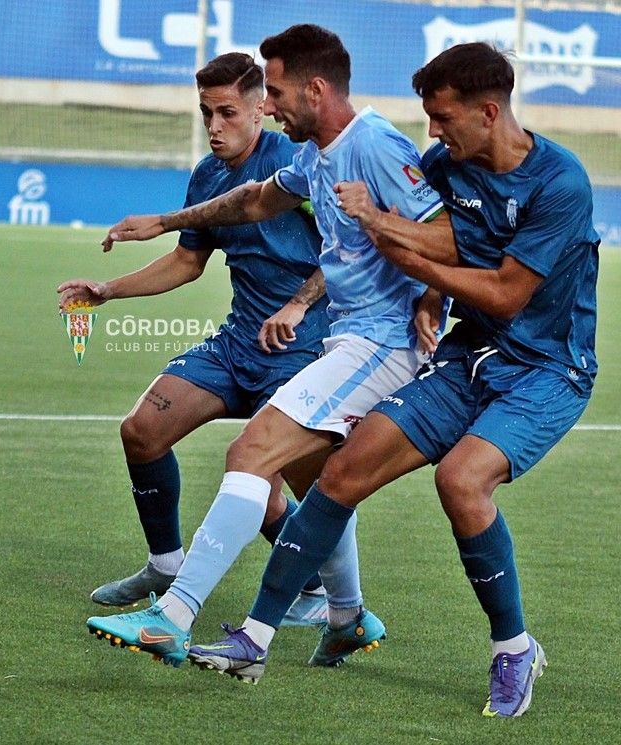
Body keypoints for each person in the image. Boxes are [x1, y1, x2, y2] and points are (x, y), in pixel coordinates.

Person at [187, 41, 600, 720]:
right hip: (470, 356)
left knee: (461, 480)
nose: (431, 133)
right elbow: (431, 243)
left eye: (441, 118)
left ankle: (514, 646)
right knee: (342, 471)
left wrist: (384, 229)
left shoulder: (559, 184)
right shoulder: (442, 166)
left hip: (548, 370)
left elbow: (502, 293)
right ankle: (253, 638)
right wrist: (428, 299)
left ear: (489, 112)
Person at [85, 24, 451, 673]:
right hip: (344, 338)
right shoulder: (315, 155)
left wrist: (426, 294)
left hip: (381, 340)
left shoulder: (373, 142)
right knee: (326, 484)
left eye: (275, 92)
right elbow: (255, 199)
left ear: (314, 89)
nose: (271, 107)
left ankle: (172, 616)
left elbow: (445, 236)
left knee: (254, 455)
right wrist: (167, 222)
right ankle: (345, 615)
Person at [58, 52, 332, 626]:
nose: (213, 126)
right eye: (206, 112)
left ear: (262, 109)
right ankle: (165, 564)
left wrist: (298, 302)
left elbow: (349, 251)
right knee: (142, 430)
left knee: (262, 484)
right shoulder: (208, 176)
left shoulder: (298, 164)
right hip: (238, 344)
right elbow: (188, 262)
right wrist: (106, 291)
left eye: (226, 112)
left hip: (304, 348)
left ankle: (321, 594)